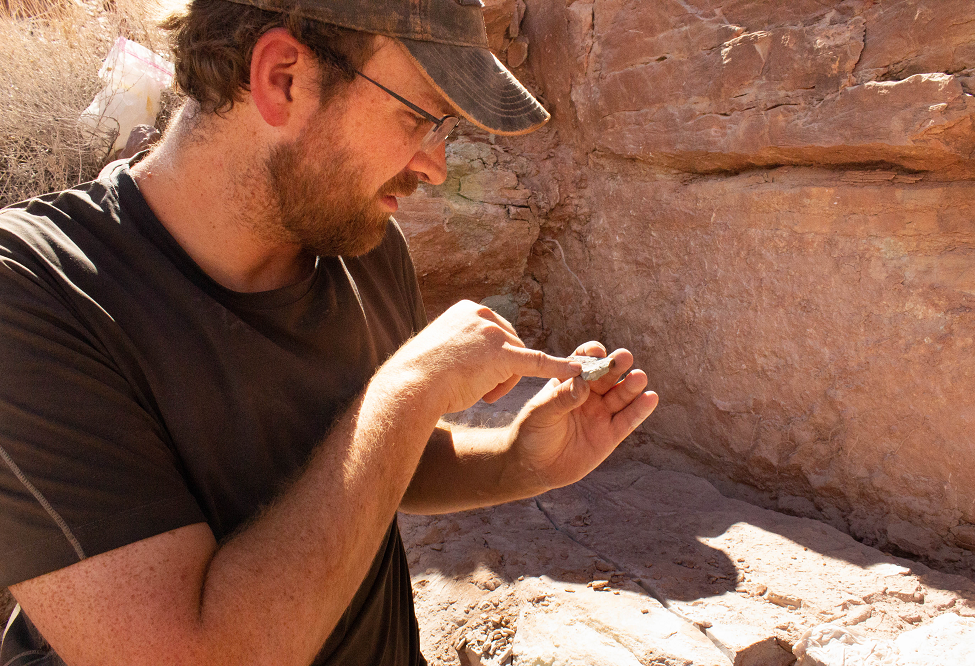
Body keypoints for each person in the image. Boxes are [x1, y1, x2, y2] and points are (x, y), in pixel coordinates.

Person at [0, 0, 659, 663]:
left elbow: (382, 462)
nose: (434, 166)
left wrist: (515, 460)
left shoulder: (365, 247)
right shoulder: (35, 293)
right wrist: (409, 387)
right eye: (420, 118)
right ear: (282, 78)